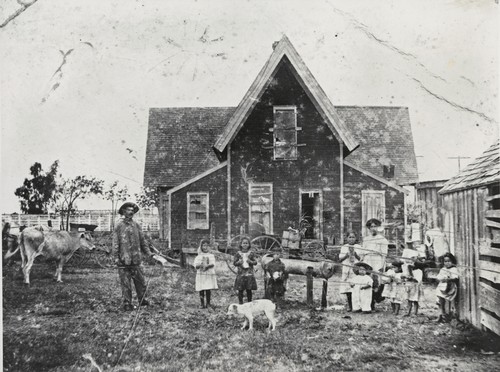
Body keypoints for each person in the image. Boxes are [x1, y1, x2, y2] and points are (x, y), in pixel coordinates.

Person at [113, 202, 155, 311]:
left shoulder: (136, 225)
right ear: (123, 211)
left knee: (141, 281)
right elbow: (115, 243)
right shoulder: (119, 225)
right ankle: (127, 303)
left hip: (136, 259)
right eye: (128, 210)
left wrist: (149, 253)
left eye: (132, 210)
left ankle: (142, 299)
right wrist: (116, 257)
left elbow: (143, 241)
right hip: (124, 259)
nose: (131, 212)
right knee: (126, 283)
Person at [361, 218, 389, 310]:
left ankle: (377, 297)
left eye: (375, 226)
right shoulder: (366, 239)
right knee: (368, 280)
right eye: (371, 227)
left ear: (378, 227)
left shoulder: (382, 239)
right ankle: (370, 303)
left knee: (377, 281)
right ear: (368, 228)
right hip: (368, 260)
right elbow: (363, 252)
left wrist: (383, 266)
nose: (373, 228)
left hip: (377, 260)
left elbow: (384, 254)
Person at [338, 231, 362, 312]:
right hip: (347, 269)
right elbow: (340, 259)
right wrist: (346, 255)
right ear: (346, 238)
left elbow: (361, 260)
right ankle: (350, 306)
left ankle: (357, 306)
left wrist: (355, 255)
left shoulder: (359, 247)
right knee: (348, 288)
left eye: (353, 237)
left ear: (356, 238)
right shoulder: (344, 247)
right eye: (350, 237)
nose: (351, 239)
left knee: (356, 287)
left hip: (355, 269)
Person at [193, 239, 218, 309]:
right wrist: (200, 265)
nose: (205, 247)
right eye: (204, 245)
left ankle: (208, 303)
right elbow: (195, 265)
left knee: (208, 288)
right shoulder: (198, 256)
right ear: (201, 247)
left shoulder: (211, 256)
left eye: (207, 245)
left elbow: (213, 264)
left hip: (208, 274)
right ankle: (202, 303)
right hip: (201, 274)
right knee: (201, 289)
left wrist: (208, 266)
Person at [234, 236, 258, 304]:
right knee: (240, 289)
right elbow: (234, 263)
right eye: (243, 243)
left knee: (249, 289)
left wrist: (250, 261)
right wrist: (239, 262)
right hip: (241, 273)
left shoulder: (251, 253)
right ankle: (241, 303)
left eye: (246, 243)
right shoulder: (238, 253)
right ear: (241, 244)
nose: (245, 244)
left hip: (249, 273)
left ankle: (249, 303)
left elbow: (255, 262)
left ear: (249, 244)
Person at [436, 252, 459, 322]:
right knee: (440, 299)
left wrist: (449, 279)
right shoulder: (443, 269)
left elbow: (456, 277)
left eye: (449, 261)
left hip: (450, 288)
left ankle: (452, 316)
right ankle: (441, 314)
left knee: (452, 302)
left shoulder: (453, 269)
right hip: (443, 287)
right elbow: (438, 277)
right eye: (445, 261)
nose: (447, 263)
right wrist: (441, 278)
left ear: (452, 261)